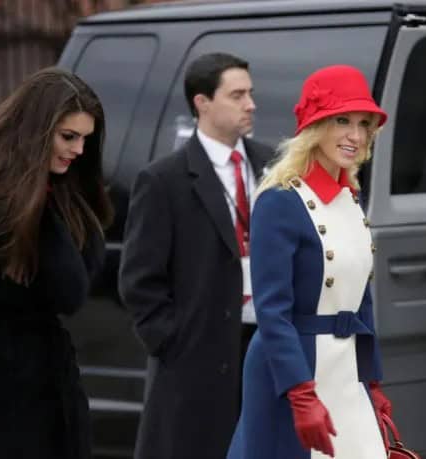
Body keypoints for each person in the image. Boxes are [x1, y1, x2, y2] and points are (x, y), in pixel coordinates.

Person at [226, 64, 393, 459]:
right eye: (342, 120)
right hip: (294, 375)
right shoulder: (279, 201)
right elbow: (272, 312)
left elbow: (360, 302)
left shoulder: (350, 197)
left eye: (364, 124)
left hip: (347, 372)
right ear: (316, 126)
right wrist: (301, 394)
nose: (355, 135)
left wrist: (373, 383)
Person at [118, 52, 274, 459]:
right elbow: (139, 280)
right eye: (237, 95)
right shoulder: (163, 179)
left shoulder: (272, 165)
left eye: (250, 94)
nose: (250, 104)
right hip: (199, 356)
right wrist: (173, 342)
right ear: (202, 102)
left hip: (267, 343)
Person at [0, 67, 113, 459]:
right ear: (35, 132)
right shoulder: (3, 203)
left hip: (50, 385)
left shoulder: (62, 195)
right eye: (68, 136)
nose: (78, 150)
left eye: (84, 140)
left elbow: (73, 289)